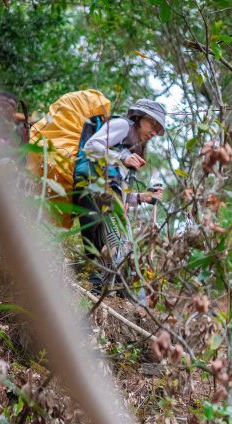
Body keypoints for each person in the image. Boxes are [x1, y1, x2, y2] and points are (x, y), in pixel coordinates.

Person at [73, 98, 165, 294]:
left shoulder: (132, 146)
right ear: (139, 117)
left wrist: (141, 197)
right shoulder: (123, 125)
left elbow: (119, 189)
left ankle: (99, 290)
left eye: (158, 129)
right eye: (153, 124)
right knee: (115, 243)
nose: (155, 132)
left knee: (102, 248)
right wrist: (122, 157)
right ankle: (104, 287)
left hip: (105, 193)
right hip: (91, 184)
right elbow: (91, 146)